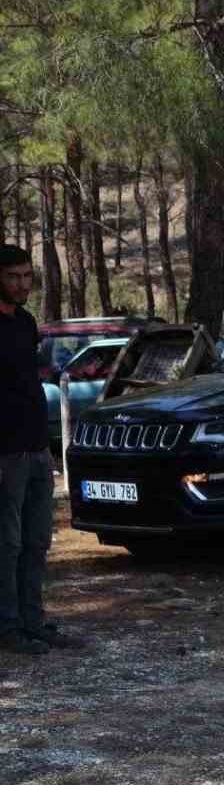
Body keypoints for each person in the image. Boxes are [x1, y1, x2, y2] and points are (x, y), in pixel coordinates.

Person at [0, 244, 85, 656]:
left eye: (26, 276)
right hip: (5, 454)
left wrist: (46, 450)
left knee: (37, 541)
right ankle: (8, 626)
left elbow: (29, 386)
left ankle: (33, 621)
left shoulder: (26, 323)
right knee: (7, 543)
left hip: (35, 451)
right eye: (12, 276)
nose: (21, 284)